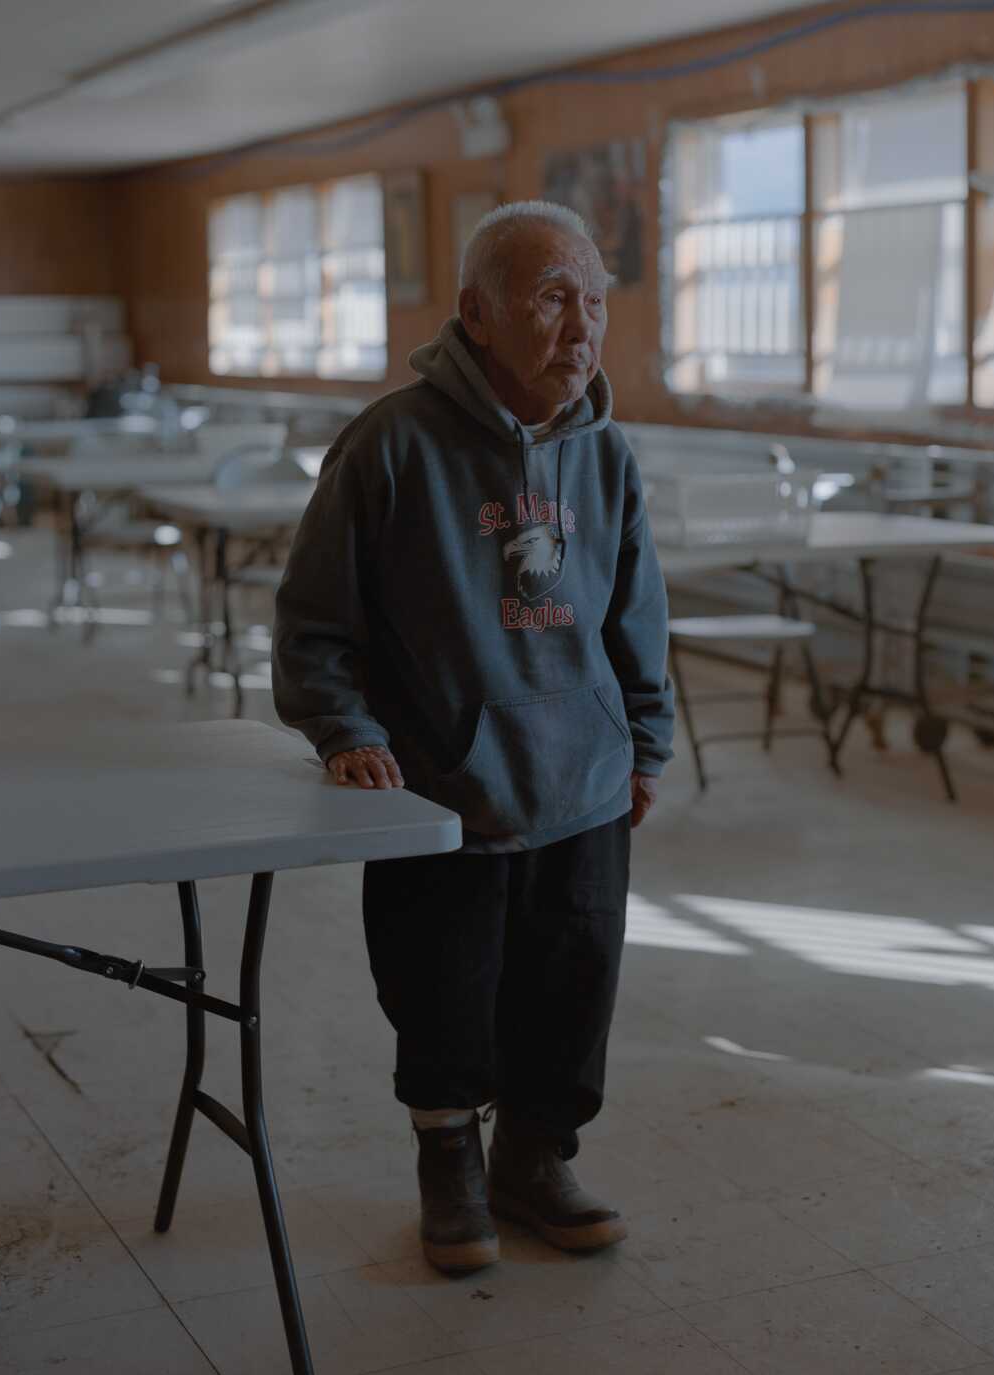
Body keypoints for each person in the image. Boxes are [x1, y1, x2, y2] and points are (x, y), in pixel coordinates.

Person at [273, 199, 674, 1274]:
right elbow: (315, 620)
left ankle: (537, 1157)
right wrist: (341, 728)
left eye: (593, 301)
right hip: (444, 784)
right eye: (550, 298)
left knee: (573, 978)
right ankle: (449, 1161)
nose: (579, 327)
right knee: (440, 985)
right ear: (476, 313)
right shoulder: (387, 445)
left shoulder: (606, 453)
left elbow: (636, 612)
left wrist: (643, 741)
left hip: (582, 778)